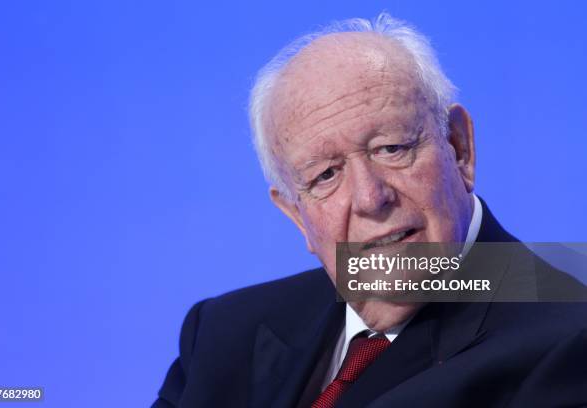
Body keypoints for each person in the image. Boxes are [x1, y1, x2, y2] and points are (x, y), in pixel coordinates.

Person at [153, 13, 587, 407]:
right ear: (295, 214)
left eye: (392, 148)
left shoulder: (568, 343)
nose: (369, 198)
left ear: (459, 148)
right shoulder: (221, 334)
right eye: (325, 175)